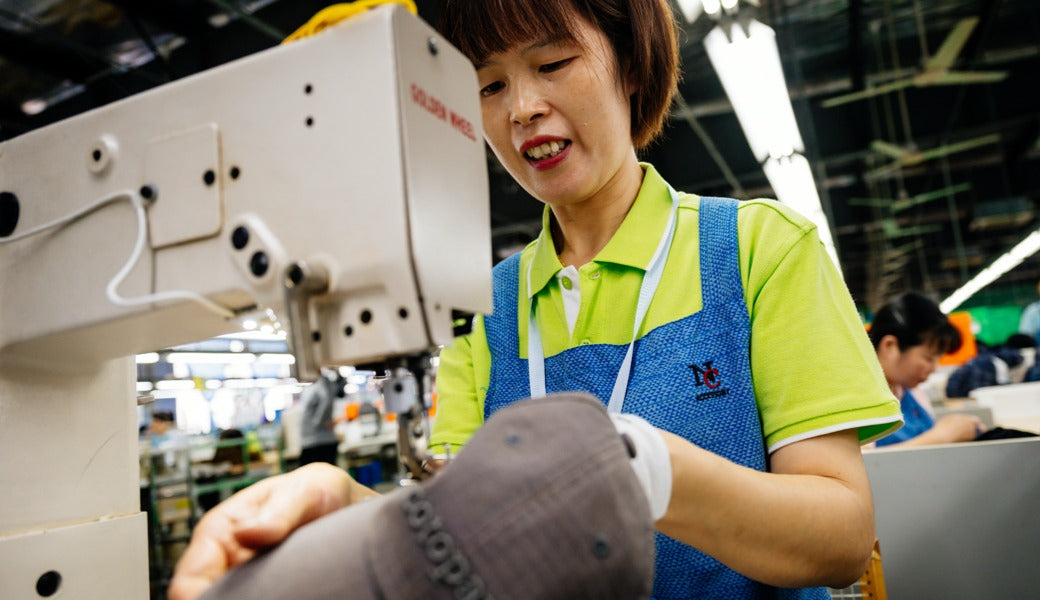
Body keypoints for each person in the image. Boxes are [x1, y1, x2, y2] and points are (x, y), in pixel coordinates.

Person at [170, 1, 904, 598]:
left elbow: (840, 537)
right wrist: (331, 499)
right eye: (487, 86)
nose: (521, 108)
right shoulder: (474, 306)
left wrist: (646, 468)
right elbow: (452, 522)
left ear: (629, 65)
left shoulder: (757, 252)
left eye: (552, 63)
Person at [867, 292, 984, 447]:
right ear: (890, 346)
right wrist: (942, 436)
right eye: (929, 358)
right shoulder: (856, 399)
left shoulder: (912, 392)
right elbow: (858, 463)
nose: (934, 368)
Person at [297, 370, 341, 466]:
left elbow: (327, 401)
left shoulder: (322, 383)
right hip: (313, 441)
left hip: (319, 442)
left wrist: (319, 423)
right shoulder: (312, 386)